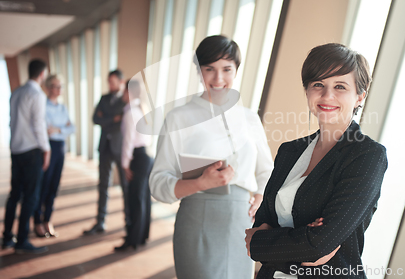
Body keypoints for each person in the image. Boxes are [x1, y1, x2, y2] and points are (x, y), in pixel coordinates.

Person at [245, 43, 388, 279]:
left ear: (359, 96)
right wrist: (303, 245)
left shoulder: (367, 155)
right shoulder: (289, 151)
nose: (326, 95)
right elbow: (261, 224)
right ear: (307, 90)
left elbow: (318, 245)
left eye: (340, 86)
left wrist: (266, 243)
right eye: (318, 84)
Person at [149, 35, 274, 279]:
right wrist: (200, 183)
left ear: (236, 70)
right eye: (210, 69)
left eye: (227, 69)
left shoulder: (250, 119)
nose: (218, 79)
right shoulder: (179, 118)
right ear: (199, 71)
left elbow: (266, 170)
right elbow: (157, 182)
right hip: (197, 220)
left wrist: (260, 196)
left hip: (242, 225)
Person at [2, 59, 51, 254]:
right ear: (42, 74)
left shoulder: (17, 92)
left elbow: (11, 122)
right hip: (31, 152)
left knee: (15, 195)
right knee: (30, 197)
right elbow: (38, 125)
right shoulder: (37, 94)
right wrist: (46, 149)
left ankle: (7, 237)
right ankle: (22, 240)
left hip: (16, 151)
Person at [84, 69, 130, 235]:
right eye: (108, 82)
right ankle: (100, 223)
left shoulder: (126, 101)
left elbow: (123, 122)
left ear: (121, 81)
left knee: (126, 186)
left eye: (112, 81)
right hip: (104, 147)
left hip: (120, 148)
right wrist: (113, 119)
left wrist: (106, 119)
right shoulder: (104, 98)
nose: (110, 85)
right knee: (103, 185)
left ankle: (128, 223)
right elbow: (95, 119)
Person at [33, 74, 75, 238]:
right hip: (47, 148)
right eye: (56, 86)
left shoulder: (62, 108)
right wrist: (62, 127)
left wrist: (58, 129)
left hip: (60, 148)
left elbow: (72, 127)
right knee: (43, 185)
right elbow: (46, 129)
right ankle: (37, 221)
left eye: (61, 86)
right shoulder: (43, 106)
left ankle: (47, 220)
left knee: (54, 186)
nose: (59, 89)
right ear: (49, 87)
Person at [114, 79, 153, 251]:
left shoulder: (131, 113)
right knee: (143, 199)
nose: (122, 94)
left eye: (124, 91)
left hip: (137, 158)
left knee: (135, 201)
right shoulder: (141, 109)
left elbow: (128, 141)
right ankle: (140, 236)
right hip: (145, 156)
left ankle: (132, 240)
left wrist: (124, 165)